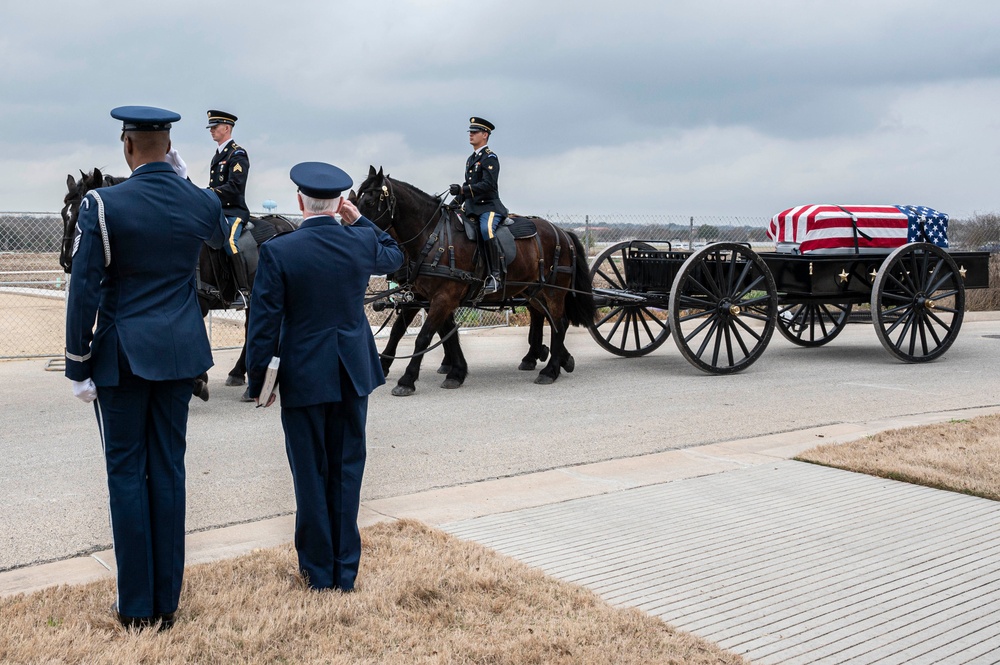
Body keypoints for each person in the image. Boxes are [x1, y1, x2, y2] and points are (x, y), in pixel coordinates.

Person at [64, 105, 225, 630]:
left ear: (127, 146)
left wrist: (76, 364)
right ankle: (167, 600)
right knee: (170, 471)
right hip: (180, 354)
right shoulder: (200, 201)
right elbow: (218, 230)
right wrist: (183, 178)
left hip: (123, 357)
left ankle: (136, 606)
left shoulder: (103, 204)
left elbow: (84, 289)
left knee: (127, 474)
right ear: (170, 146)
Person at [246, 162, 403, 591]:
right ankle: (345, 570)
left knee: (310, 473)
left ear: (299, 202)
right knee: (347, 468)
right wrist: (360, 219)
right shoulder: (360, 241)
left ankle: (318, 571)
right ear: (340, 203)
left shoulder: (280, 251)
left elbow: (262, 324)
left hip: (303, 374)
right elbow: (396, 256)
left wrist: (261, 381)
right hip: (352, 370)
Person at [449, 116, 509, 294]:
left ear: (485, 135)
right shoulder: (471, 159)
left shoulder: (490, 158)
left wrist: (462, 190)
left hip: (489, 208)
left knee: (486, 230)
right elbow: (468, 186)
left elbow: (488, 185)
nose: (471, 135)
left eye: (474, 132)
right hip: (472, 208)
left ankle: (496, 276)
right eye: (470, 132)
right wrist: (451, 205)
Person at [207, 109, 252, 305]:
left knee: (229, 241)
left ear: (227, 127)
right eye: (211, 127)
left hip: (234, 211)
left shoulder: (237, 154)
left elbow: (235, 187)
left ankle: (244, 291)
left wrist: (209, 192)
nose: (211, 131)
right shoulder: (218, 155)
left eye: (215, 127)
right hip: (218, 211)